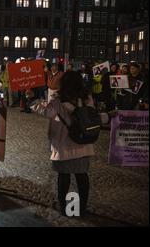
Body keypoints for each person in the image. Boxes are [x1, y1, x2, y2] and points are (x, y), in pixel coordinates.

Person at [31, 71, 111, 216]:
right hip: (83, 143)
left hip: (63, 145)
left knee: (64, 176)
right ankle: (81, 207)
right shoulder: (87, 98)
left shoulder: (57, 99)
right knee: (82, 176)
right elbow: (93, 117)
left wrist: (34, 101)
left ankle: (64, 207)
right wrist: (108, 116)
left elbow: (47, 112)